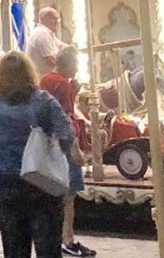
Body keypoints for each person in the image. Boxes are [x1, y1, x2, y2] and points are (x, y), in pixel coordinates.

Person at [0, 52, 72, 258]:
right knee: (48, 247)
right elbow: (66, 134)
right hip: (42, 181)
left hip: (7, 180)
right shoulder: (44, 101)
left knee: (14, 248)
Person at [38, 48, 94, 258]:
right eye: (76, 64)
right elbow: (65, 117)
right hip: (65, 143)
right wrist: (75, 147)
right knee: (69, 193)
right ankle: (67, 238)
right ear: (68, 64)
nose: (77, 68)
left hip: (50, 143)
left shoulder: (47, 80)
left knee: (59, 193)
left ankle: (62, 237)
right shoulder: (62, 83)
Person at [26, 6, 63, 74]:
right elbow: (50, 60)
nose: (57, 22)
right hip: (43, 80)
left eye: (58, 19)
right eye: (54, 18)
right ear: (45, 19)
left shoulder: (47, 33)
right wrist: (67, 67)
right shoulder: (42, 34)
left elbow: (61, 46)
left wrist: (72, 50)